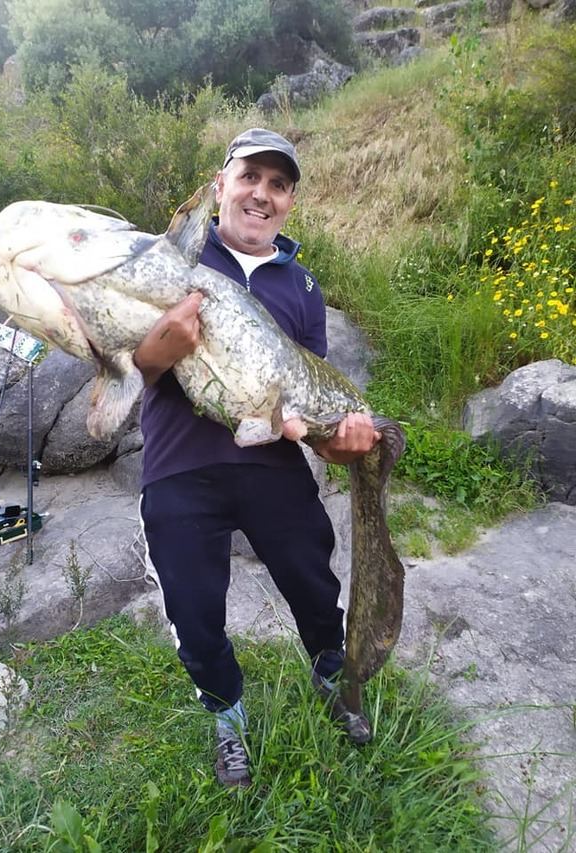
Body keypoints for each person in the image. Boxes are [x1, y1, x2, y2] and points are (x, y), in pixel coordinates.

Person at [133, 128, 381, 788]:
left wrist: (342, 438)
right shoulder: (176, 256)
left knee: (312, 578)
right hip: (179, 464)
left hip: (272, 462)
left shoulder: (302, 286)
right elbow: (133, 362)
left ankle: (333, 676)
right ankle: (226, 712)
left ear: (290, 202)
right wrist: (157, 348)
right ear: (221, 185)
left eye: (279, 184)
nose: (262, 194)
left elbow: (308, 400)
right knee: (192, 607)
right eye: (250, 177)